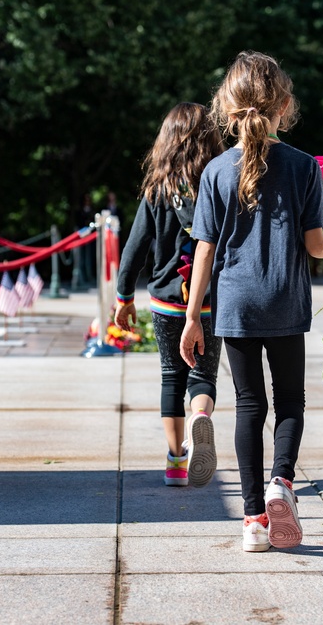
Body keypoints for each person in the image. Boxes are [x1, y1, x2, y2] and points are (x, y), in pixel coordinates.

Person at [179, 51, 323, 553]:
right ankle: (282, 483)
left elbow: (204, 250)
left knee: (249, 406)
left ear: (226, 106)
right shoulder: (302, 167)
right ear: (285, 105)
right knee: (289, 401)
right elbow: (318, 245)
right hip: (284, 300)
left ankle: (253, 521)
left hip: (236, 305)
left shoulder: (214, 171)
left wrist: (194, 319)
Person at [114, 103, 225, 488]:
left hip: (165, 301)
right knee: (203, 373)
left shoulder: (157, 191)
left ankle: (177, 461)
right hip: (210, 300)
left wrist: (123, 296)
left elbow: (135, 247)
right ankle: (201, 418)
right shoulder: (220, 184)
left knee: (169, 377)